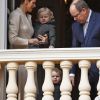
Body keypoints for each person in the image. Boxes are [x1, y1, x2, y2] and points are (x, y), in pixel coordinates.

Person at [69, 0, 100, 100]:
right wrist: (72, 72)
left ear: (84, 10)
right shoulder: (75, 26)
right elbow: (74, 49)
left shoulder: (99, 19)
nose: (74, 19)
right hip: (84, 73)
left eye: (76, 15)